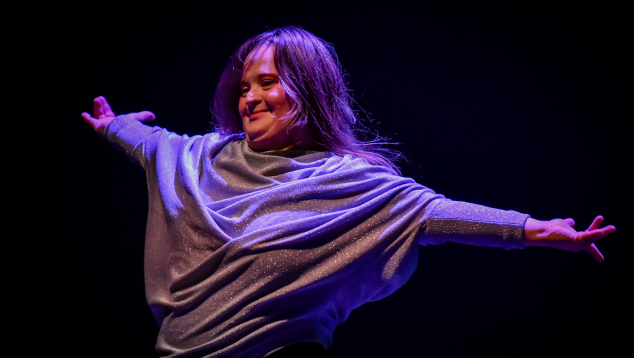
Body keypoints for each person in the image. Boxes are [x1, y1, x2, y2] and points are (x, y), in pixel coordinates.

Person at [81, 26, 615, 358]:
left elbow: (437, 215)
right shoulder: (203, 159)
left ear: (310, 90)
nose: (251, 97)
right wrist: (113, 127)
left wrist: (538, 230)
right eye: (245, 87)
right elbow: (154, 143)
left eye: (268, 82)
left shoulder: (349, 182)